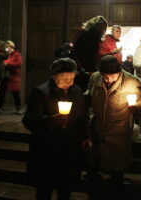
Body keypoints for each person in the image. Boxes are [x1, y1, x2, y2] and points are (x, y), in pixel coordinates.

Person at [22, 58, 90, 200]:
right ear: (54, 76)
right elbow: (29, 121)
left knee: (66, 188)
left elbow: (83, 117)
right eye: (65, 79)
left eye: (72, 78)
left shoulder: (76, 91)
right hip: (47, 149)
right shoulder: (41, 92)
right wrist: (50, 121)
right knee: (45, 188)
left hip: (69, 148)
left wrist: (85, 137)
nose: (69, 83)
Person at [85, 55, 141, 187]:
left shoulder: (131, 81)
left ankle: (116, 183)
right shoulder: (95, 77)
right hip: (98, 124)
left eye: (111, 76)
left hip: (119, 127)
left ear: (118, 72)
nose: (107, 80)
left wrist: (137, 107)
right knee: (95, 155)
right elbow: (89, 93)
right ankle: (93, 179)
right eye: (104, 76)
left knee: (117, 161)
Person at [0, 40, 23, 115]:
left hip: (13, 77)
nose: (6, 48)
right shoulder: (5, 54)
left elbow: (19, 63)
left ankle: (18, 108)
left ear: (11, 47)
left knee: (16, 93)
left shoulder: (17, 54)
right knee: (1, 93)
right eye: (5, 47)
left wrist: (7, 64)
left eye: (7, 47)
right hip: (5, 76)